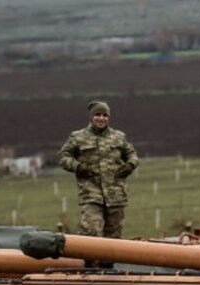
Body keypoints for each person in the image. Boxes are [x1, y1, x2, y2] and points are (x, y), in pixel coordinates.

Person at [58, 101, 139, 266]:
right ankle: (89, 267)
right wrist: (78, 167)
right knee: (92, 231)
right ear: (91, 117)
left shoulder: (119, 137)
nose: (101, 118)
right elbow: (63, 157)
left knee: (113, 235)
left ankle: (107, 270)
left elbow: (132, 155)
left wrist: (129, 166)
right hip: (90, 192)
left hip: (115, 193)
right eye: (98, 115)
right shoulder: (78, 137)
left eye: (105, 115)